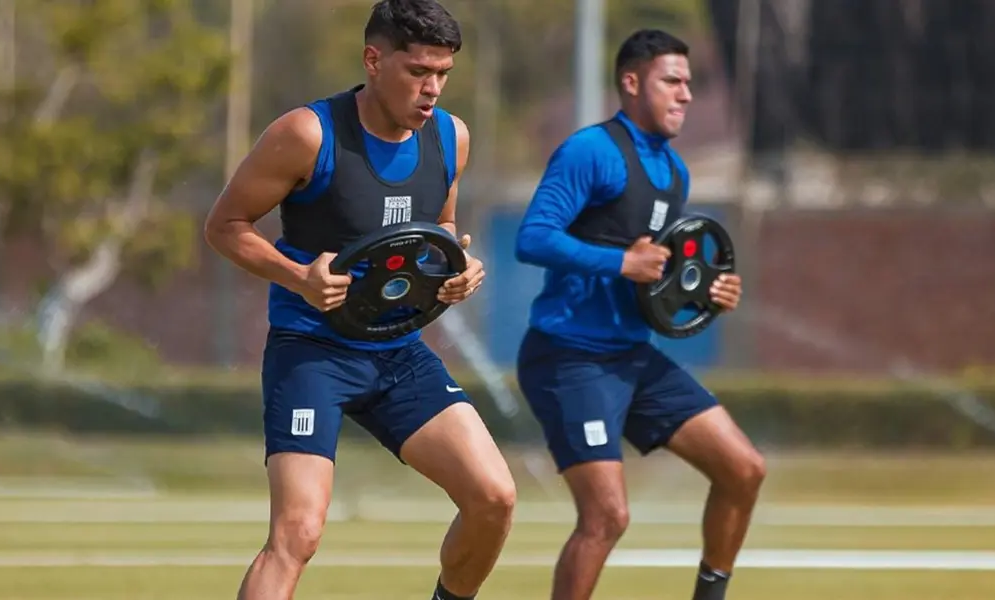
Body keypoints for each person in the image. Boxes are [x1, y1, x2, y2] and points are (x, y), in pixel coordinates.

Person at [203, 1, 515, 598]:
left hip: (398, 352)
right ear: (374, 60)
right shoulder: (307, 133)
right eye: (419, 71)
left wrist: (456, 270)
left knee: (494, 498)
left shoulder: (452, 137)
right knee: (298, 531)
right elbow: (224, 226)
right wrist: (298, 278)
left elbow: (441, 227)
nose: (433, 89)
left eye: (444, 74)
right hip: (312, 351)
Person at [513, 29, 765, 600]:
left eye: (689, 84)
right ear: (631, 83)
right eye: (671, 81)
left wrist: (706, 294)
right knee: (606, 516)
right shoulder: (591, 151)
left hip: (632, 356)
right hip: (568, 358)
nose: (686, 95)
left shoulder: (675, 172)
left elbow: (658, 283)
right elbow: (532, 239)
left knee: (743, 469)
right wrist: (621, 262)